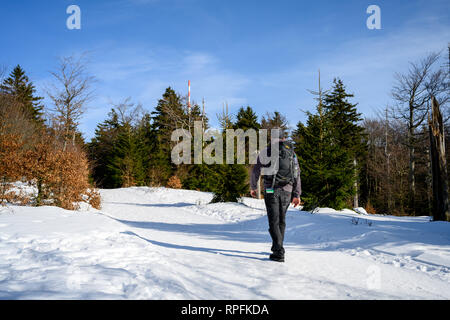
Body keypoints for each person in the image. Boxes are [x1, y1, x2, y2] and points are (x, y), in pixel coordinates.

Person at [250, 136, 301, 262]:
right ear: (284, 139)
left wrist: (253, 187)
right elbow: (297, 173)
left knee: (273, 221)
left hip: (270, 190)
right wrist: (297, 194)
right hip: (287, 191)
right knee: (281, 220)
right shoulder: (291, 153)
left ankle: (278, 251)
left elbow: (255, 170)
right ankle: (277, 246)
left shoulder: (266, 151)